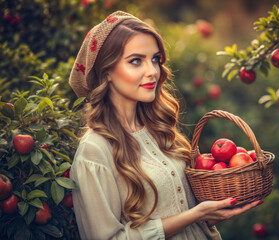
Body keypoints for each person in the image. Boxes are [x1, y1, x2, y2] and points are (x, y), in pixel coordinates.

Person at [68, 11, 263, 240]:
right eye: (136, 61)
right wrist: (194, 215)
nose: (152, 71)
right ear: (106, 71)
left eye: (155, 59)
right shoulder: (95, 151)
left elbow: (180, 206)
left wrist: (210, 214)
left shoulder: (158, 129)